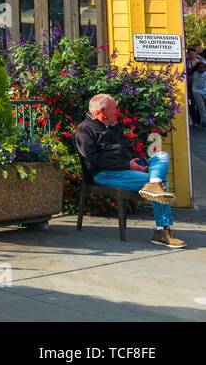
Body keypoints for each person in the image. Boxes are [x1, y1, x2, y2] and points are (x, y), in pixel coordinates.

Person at [73, 93, 184, 248]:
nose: (117, 111)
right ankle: (162, 230)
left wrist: (140, 163)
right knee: (159, 182)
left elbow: (129, 149)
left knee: (161, 156)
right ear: (103, 111)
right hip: (104, 174)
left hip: (129, 169)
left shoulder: (114, 127)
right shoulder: (84, 130)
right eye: (114, 109)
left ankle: (154, 184)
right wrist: (127, 165)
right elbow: (94, 160)